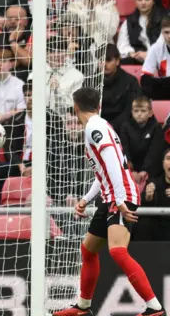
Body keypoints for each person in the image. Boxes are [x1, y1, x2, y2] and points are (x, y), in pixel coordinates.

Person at [54, 87, 166, 316]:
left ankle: (154, 308)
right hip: (111, 195)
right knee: (88, 250)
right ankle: (83, 307)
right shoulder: (100, 125)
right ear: (99, 105)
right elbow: (104, 171)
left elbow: (114, 163)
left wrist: (120, 199)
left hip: (120, 194)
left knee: (117, 251)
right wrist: (86, 199)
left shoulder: (94, 127)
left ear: (76, 108)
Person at [120, 96, 166, 184]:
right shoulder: (125, 126)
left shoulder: (156, 127)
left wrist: (145, 170)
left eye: (143, 111)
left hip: (151, 166)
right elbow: (124, 149)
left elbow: (154, 151)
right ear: (132, 112)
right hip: (131, 165)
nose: (139, 114)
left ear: (150, 113)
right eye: (136, 111)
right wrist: (131, 169)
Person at [117, 0, 165, 65]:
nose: (143, 2)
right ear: (135, 1)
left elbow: (165, 43)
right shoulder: (129, 21)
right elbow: (122, 45)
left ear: (153, 1)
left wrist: (149, 54)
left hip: (160, 59)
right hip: (137, 59)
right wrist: (132, 53)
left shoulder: (164, 19)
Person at [99, 44, 141, 133]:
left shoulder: (131, 82)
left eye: (108, 60)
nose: (104, 64)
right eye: (101, 60)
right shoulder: (92, 81)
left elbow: (130, 110)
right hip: (98, 127)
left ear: (117, 61)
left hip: (123, 128)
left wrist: (111, 127)